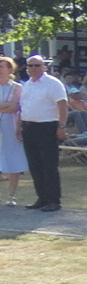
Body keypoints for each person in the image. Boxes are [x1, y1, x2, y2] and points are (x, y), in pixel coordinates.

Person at [19, 55, 69, 211]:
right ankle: (42, 197)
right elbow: (24, 107)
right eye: (30, 66)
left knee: (49, 165)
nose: (33, 68)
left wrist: (61, 126)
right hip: (29, 127)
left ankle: (53, 200)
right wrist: (20, 126)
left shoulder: (53, 83)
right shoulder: (27, 84)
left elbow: (62, 105)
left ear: (44, 67)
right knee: (35, 165)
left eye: (36, 65)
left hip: (47, 127)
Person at [0, 58, 24, 205]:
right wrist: (6, 105)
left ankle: (11, 196)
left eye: (1, 67)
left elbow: (14, 107)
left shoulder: (17, 87)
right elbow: (9, 106)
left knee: (13, 160)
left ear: (10, 69)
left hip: (11, 126)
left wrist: (8, 106)